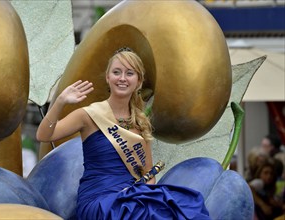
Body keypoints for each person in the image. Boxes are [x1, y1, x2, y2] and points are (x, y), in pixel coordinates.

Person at [36, 47, 210, 219]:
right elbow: (43, 136)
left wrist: (143, 193)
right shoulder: (88, 115)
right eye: (117, 72)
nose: (122, 78)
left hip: (132, 198)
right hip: (99, 200)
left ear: (139, 81)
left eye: (129, 73)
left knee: (187, 205)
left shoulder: (141, 123)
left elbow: (148, 175)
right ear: (108, 77)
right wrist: (60, 101)